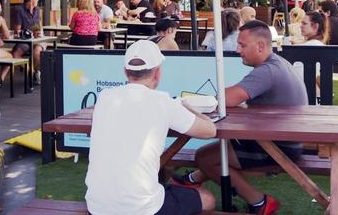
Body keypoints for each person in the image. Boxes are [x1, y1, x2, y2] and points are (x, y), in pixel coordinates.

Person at [173, 21, 307, 214]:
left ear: (260, 46)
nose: (237, 50)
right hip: (285, 141)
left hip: (279, 148)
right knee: (216, 152)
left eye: (242, 45)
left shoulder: (267, 71)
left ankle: (260, 202)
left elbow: (227, 98)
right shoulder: (277, 64)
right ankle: (192, 180)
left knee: (204, 157)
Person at [85, 40, 217, 215]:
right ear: (157, 73)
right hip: (143, 207)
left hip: (97, 206)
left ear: (125, 71)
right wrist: (189, 107)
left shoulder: (105, 97)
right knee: (208, 199)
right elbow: (210, 130)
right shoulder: (163, 101)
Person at [11, 0, 44, 85]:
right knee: (15, 55)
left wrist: (38, 32)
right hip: (25, 40)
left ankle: (39, 73)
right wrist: (28, 33)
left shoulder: (37, 10)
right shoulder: (19, 10)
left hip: (37, 40)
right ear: (31, 0)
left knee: (37, 52)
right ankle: (32, 71)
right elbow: (17, 30)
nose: (37, 0)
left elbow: (38, 25)